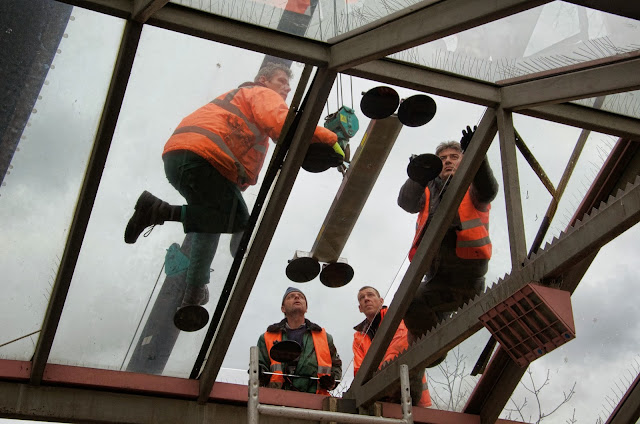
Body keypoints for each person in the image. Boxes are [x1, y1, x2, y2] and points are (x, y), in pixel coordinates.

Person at [123, 63, 344, 309]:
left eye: (287, 84)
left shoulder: (242, 107)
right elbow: (283, 123)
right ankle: (157, 211)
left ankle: (193, 292)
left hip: (179, 158)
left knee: (212, 221)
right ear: (263, 80)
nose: (287, 87)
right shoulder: (260, 94)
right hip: (205, 157)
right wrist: (330, 139)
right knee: (237, 219)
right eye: (281, 81)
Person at [398, 126, 498, 366]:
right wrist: (418, 174)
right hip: (437, 278)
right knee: (407, 301)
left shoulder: (472, 187)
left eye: (455, 157)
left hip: (467, 275)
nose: (448, 161)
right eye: (442, 159)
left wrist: (478, 153)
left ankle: (433, 342)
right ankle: (433, 349)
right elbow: (406, 202)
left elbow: (488, 189)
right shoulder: (427, 192)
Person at [352, 286, 431, 407]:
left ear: (381, 301)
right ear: (360, 308)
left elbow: (400, 346)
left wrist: (383, 380)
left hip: (407, 392)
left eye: (370, 295)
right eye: (362, 298)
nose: (366, 299)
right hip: (378, 398)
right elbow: (359, 370)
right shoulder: (359, 337)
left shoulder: (397, 317)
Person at [257, 287, 342, 394]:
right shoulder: (267, 337)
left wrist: (332, 381)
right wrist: (259, 373)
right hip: (277, 400)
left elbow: (336, 365)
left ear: (306, 308)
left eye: (301, 297)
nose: (297, 297)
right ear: (283, 308)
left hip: (316, 401)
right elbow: (259, 365)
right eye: (291, 297)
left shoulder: (324, 337)